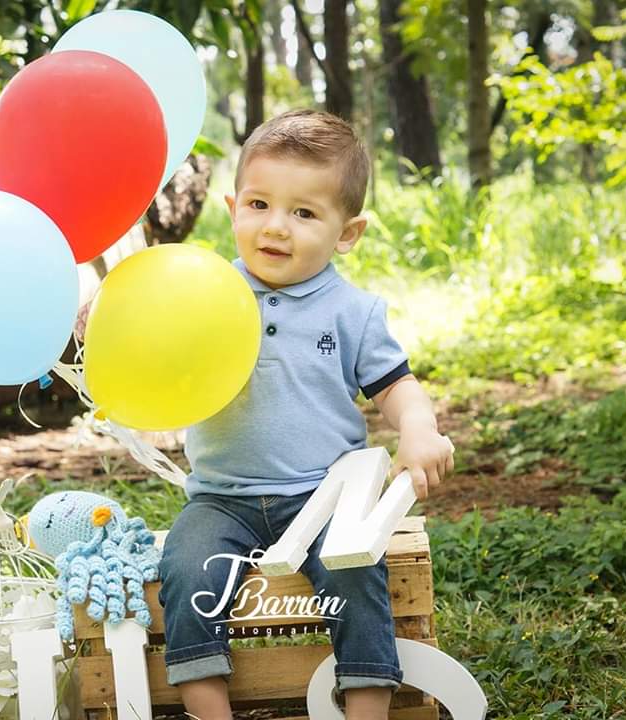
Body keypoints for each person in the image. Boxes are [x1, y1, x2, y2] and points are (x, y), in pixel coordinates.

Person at [157, 109, 454, 720]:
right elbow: (167, 363)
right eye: (259, 204)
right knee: (185, 572)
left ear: (348, 232)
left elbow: (397, 387)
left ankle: (366, 703)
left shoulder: (353, 312)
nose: (276, 228)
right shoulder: (209, 293)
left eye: (304, 213)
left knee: (357, 575)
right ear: (233, 204)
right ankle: (210, 710)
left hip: (323, 498)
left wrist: (419, 430)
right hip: (221, 497)